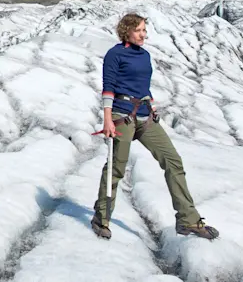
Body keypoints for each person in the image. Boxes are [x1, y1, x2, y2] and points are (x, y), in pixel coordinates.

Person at [91, 13, 220, 240]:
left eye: (144, 30)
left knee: (172, 161)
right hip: (122, 115)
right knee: (116, 168)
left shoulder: (144, 55)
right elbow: (108, 87)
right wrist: (107, 119)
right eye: (139, 30)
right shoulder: (114, 54)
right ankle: (101, 218)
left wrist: (150, 104)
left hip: (145, 115)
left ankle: (188, 220)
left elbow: (143, 85)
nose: (144, 34)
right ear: (126, 31)